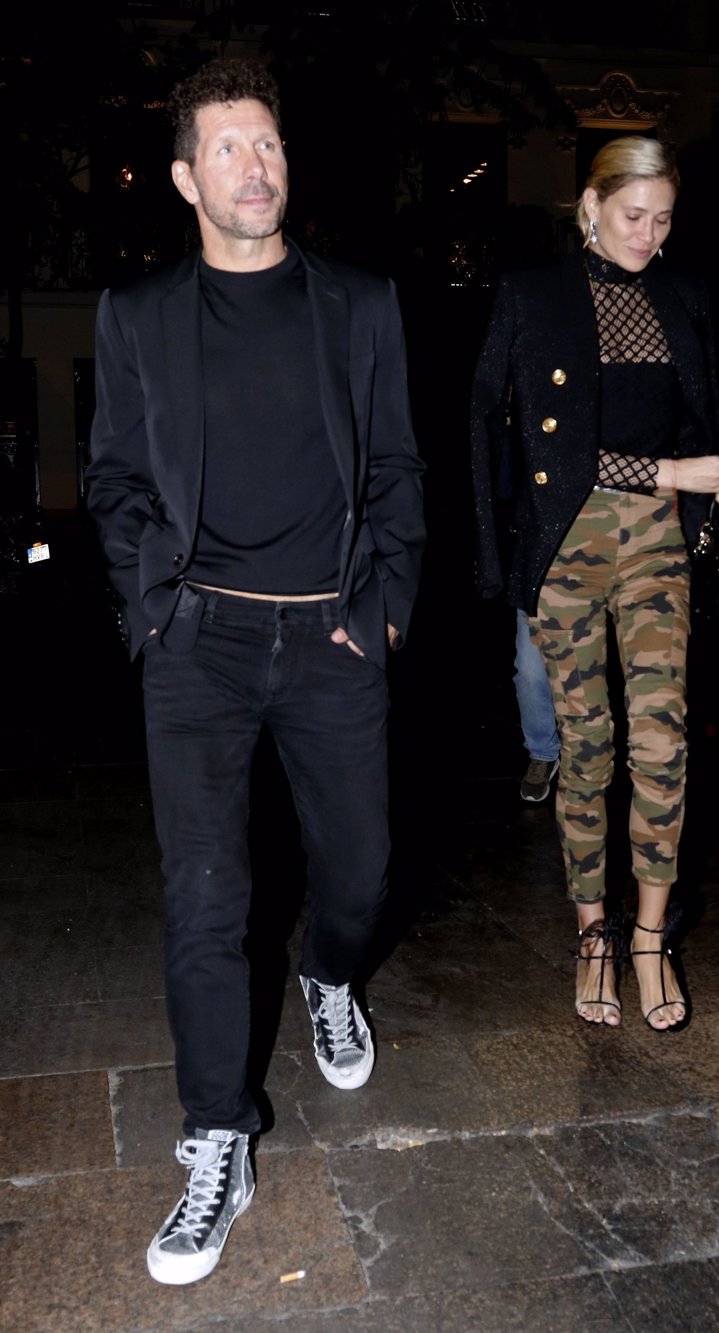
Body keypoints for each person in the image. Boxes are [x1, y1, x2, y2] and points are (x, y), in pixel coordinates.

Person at [87, 58, 425, 1286]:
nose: (255, 165)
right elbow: (116, 478)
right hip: (201, 645)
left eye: (268, 142)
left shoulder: (360, 304)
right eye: (227, 147)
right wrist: (153, 612)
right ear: (185, 178)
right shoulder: (137, 316)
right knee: (204, 895)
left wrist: (382, 614)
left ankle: (329, 973)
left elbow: (396, 468)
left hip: (330, 634)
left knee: (362, 869)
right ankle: (217, 1138)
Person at [471, 136, 719, 1033]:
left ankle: (649, 938)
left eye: (663, 218)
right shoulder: (533, 294)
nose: (648, 234)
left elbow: (702, 415)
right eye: (634, 214)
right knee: (586, 748)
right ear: (591, 206)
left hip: (655, 542)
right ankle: (593, 932)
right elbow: (523, 439)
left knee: (663, 744)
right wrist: (669, 471)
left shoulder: (683, 294)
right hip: (567, 542)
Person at [514, 610, 560, 802]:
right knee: (530, 671)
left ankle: (586, 749)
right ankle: (542, 752)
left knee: (585, 670)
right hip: (535, 594)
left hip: (590, 593)